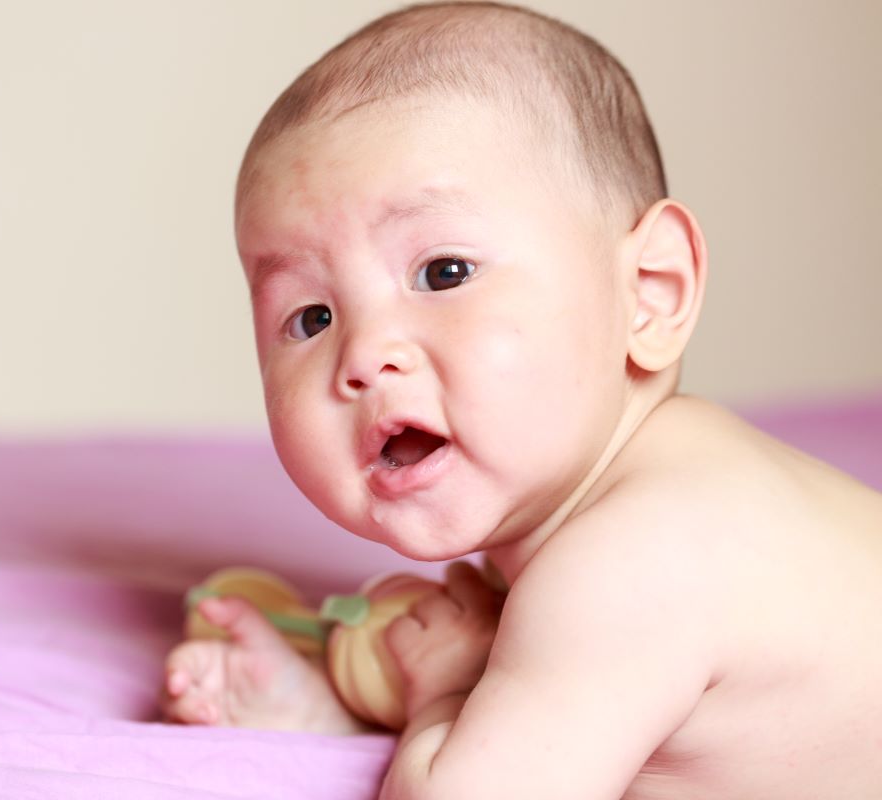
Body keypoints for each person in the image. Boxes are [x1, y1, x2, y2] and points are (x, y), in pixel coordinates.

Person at [161, 2, 882, 796]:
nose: (364, 355)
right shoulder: (619, 516)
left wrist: (441, 695)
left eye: (444, 273)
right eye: (311, 317)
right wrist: (335, 708)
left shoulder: (635, 562)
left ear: (649, 293)